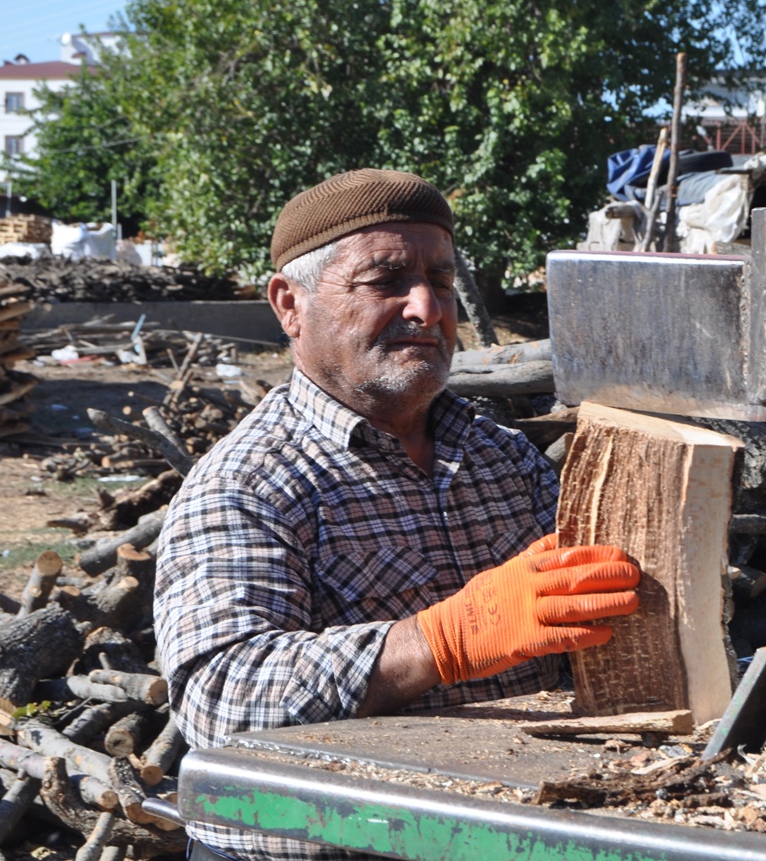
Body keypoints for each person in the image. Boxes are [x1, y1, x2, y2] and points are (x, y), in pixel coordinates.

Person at [154, 168, 642, 860]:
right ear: (290, 305)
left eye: (441, 282)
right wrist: (439, 642)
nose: (426, 308)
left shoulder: (499, 457)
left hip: (501, 837)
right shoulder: (247, 484)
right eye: (385, 281)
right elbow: (221, 699)